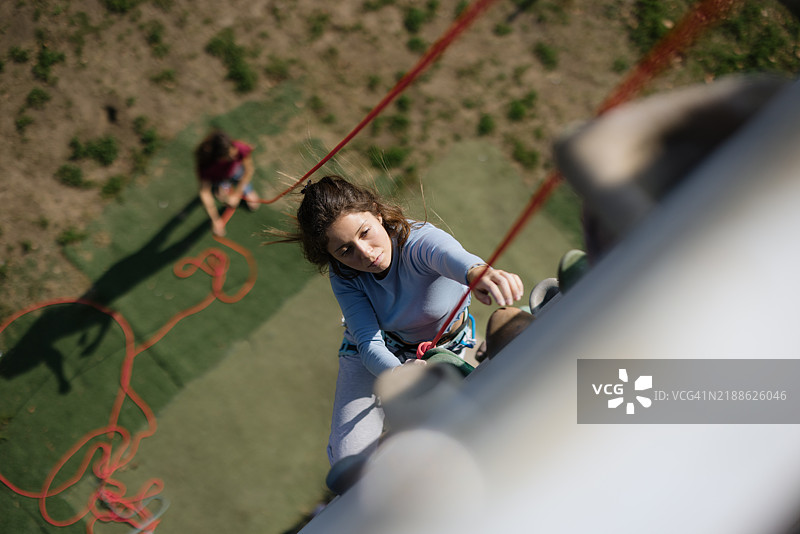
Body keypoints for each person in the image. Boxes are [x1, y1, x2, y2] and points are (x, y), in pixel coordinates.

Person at [272, 175, 524, 465]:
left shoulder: (418, 241)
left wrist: (480, 273)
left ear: (378, 214)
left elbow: (453, 258)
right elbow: (368, 344)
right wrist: (400, 374)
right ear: (333, 256)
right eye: (345, 250)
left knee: (454, 434)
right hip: (375, 351)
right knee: (349, 462)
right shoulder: (344, 275)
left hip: (441, 350)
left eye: (365, 232)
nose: (365, 254)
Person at [194, 130, 261, 236]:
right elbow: (204, 192)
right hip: (218, 178)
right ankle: (221, 189)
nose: (234, 154)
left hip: (235, 173)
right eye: (228, 156)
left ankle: (240, 190)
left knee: (254, 204)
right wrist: (215, 220)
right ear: (218, 158)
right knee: (222, 198)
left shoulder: (239, 148)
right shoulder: (206, 166)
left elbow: (248, 171)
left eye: (233, 149)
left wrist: (237, 194)